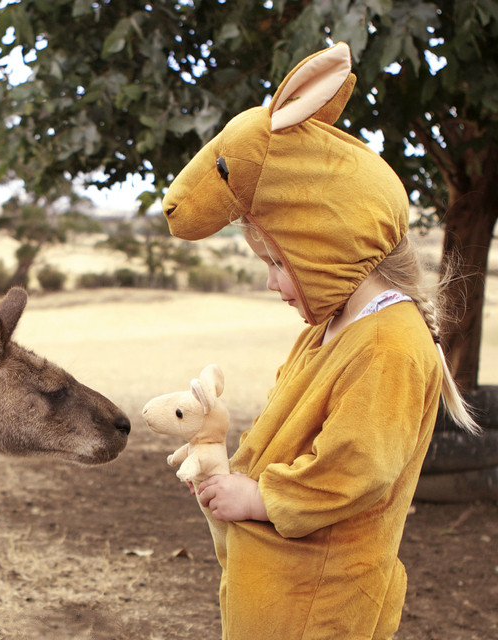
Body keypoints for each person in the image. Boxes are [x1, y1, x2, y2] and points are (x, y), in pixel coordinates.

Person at [160, 43, 478, 640]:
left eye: (280, 263)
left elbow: (358, 466)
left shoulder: (389, 344)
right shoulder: (328, 330)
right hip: (278, 589)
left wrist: (257, 499)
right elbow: (292, 430)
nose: (275, 283)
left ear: (324, 241)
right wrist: (220, 440)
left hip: (322, 604)